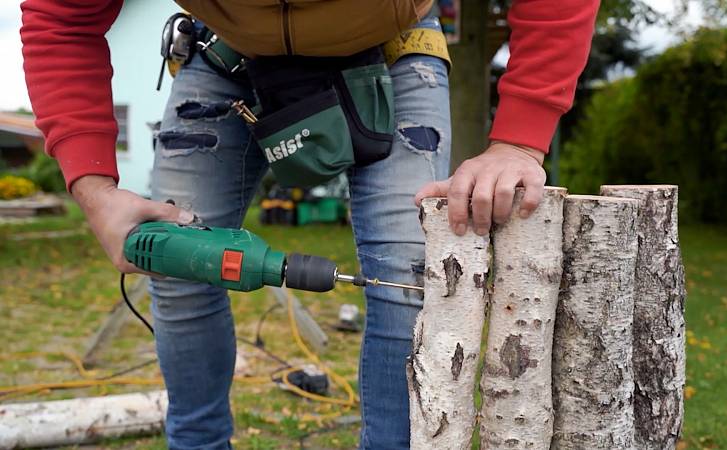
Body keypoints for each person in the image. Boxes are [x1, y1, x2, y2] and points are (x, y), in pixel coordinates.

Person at [20, 0, 599, 448]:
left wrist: (519, 140)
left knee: (407, 279)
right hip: (224, 54)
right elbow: (62, 18)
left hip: (392, 49)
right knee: (176, 265)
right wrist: (93, 186)